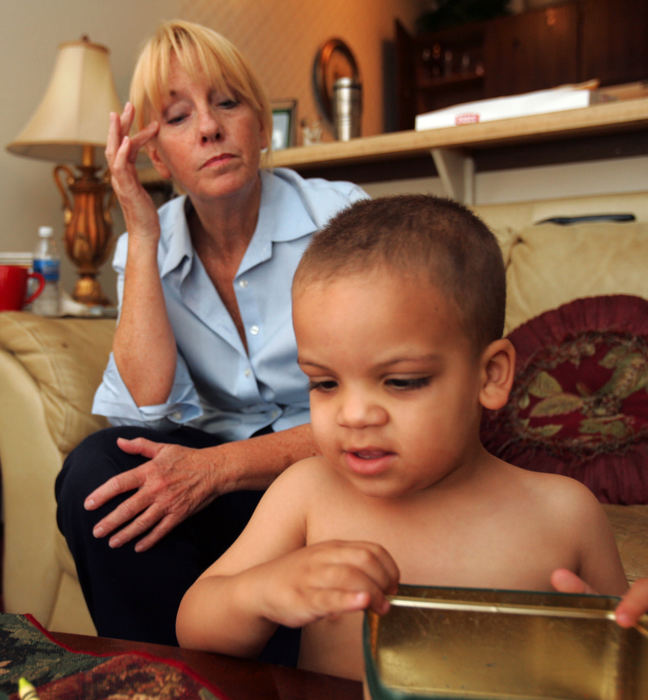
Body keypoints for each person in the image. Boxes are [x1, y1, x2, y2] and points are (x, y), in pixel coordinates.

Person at [175, 195, 628, 680]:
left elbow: (625, 662)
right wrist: (259, 593)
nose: (353, 414)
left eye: (401, 381)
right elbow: (195, 626)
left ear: (491, 375)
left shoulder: (564, 514)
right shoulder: (308, 492)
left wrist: (614, 646)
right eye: (325, 383)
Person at [54, 19, 368, 654]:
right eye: (177, 116)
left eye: (228, 102)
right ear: (154, 152)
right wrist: (142, 235)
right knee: (95, 473)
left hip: (330, 474)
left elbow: (376, 411)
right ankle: (164, 679)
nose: (209, 128)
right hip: (224, 498)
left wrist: (218, 469)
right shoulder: (144, 246)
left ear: (259, 124)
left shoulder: (342, 221)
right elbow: (145, 406)